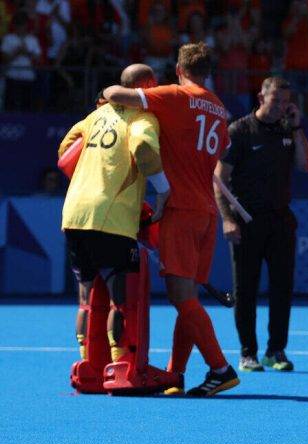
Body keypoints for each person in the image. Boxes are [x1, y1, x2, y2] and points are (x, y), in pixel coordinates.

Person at [103, 43, 239, 397]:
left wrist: (115, 94)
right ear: (209, 72)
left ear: (179, 69)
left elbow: (116, 92)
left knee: (182, 299)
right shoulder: (220, 109)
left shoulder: (175, 95)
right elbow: (219, 148)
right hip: (207, 211)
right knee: (188, 299)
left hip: (180, 209)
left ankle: (220, 369)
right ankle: (175, 374)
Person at [59, 64, 169, 365]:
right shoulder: (143, 117)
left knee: (85, 298)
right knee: (120, 300)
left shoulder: (94, 115)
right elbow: (144, 148)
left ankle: (86, 364)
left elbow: (64, 152)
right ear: (146, 88)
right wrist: (162, 190)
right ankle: (120, 365)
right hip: (111, 218)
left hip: (74, 214)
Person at [214, 76, 308, 373]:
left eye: (285, 102)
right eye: (275, 101)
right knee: (245, 290)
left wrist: (296, 128)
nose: (280, 107)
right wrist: (228, 219)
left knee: (282, 288)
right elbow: (219, 179)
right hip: (246, 222)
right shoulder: (240, 130)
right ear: (261, 97)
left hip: (281, 221)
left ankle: (276, 350)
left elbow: (306, 164)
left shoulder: (288, 128)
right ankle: (248, 353)